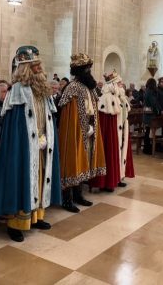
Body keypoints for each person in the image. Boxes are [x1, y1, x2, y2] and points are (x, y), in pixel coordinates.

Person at [0, 46, 61, 242]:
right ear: (25, 67)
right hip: (23, 147)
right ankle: (16, 224)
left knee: (38, 179)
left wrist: (46, 137)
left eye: (39, 65)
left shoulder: (42, 90)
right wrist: (29, 142)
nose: (40, 69)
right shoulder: (18, 91)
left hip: (41, 145)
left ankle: (36, 217)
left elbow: (47, 118)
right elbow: (16, 125)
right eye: (35, 65)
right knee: (22, 179)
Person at [57, 53, 106, 213]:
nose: (89, 71)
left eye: (89, 68)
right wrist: (80, 129)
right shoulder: (72, 88)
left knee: (83, 162)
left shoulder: (88, 87)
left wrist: (91, 127)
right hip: (74, 132)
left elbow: (92, 109)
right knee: (72, 161)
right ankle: (67, 199)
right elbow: (69, 116)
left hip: (88, 132)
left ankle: (78, 195)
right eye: (87, 69)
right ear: (79, 70)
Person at [91, 70, 122, 192]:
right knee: (107, 151)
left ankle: (110, 181)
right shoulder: (106, 99)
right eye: (117, 83)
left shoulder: (112, 97)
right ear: (112, 84)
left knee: (110, 150)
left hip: (111, 134)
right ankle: (104, 182)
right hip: (105, 136)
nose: (120, 85)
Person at [143, 78, 160, 154]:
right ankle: (147, 148)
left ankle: (147, 147)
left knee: (148, 130)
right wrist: (158, 110)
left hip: (147, 112)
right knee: (149, 131)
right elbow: (153, 102)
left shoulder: (147, 90)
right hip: (150, 113)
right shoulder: (151, 91)